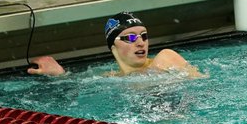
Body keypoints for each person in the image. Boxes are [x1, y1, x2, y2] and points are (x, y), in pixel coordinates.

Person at [29, 11, 202, 77]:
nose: (140, 42)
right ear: (113, 47)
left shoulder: (165, 58)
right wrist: (60, 74)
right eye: (130, 38)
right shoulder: (110, 77)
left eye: (143, 36)